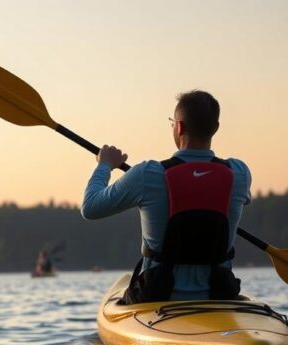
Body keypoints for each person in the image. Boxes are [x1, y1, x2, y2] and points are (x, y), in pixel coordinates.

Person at [81, 90, 250, 303]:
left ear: (179, 127)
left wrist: (105, 165)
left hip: (156, 294)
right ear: (215, 128)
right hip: (219, 293)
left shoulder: (147, 174)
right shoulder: (239, 173)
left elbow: (90, 207)